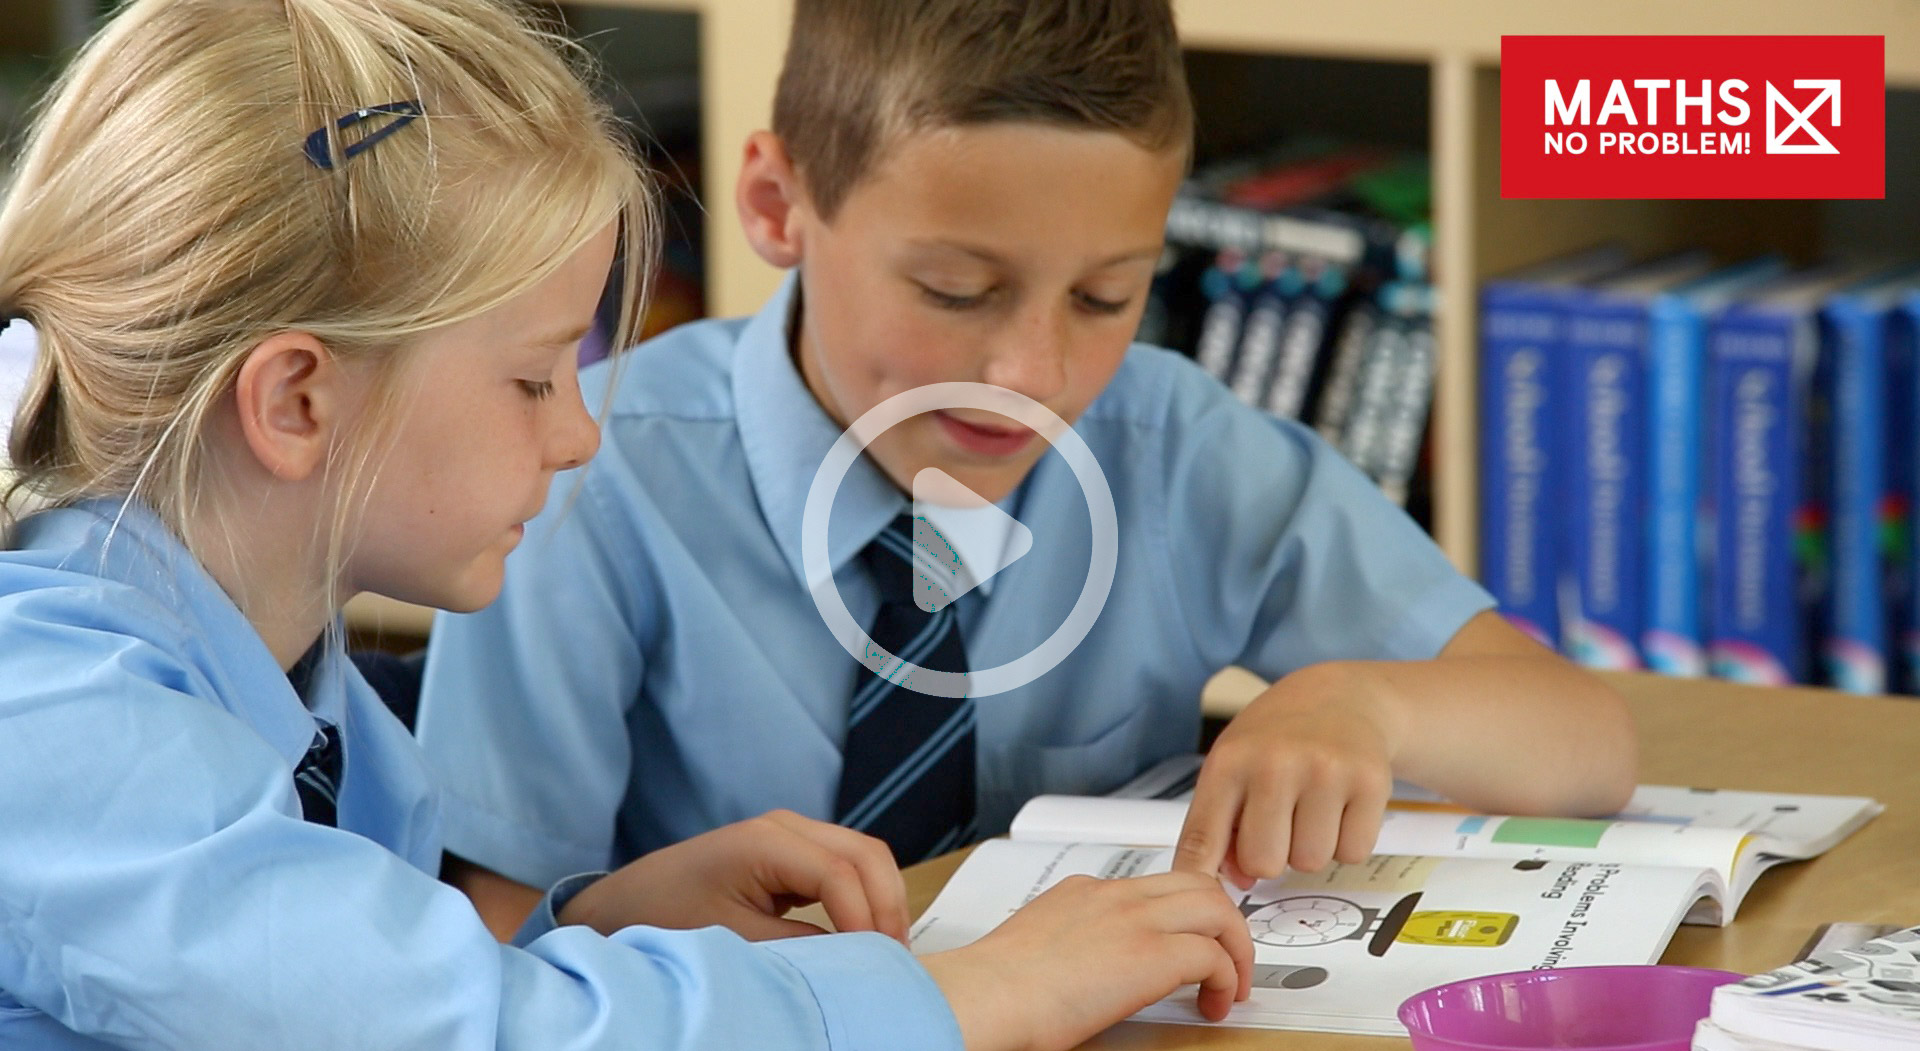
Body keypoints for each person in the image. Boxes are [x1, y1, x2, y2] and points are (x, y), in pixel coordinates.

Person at [0, 0, 1253, 1051]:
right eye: (536, 379)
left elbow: (344, 1010)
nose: (579, 435)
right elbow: (473, 1049)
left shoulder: (289, 678)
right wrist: (971, 996)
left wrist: (590, 924)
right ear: (295, 402)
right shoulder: (55, 721)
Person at [416, 0, 1639, 937]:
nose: (1034, 373)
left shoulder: (1171, 449)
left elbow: (1585, 741)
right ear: (778, 204)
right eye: (957, 290)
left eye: (1107, 296)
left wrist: (1364, 704)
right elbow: (494, 941)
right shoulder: (586, 476)